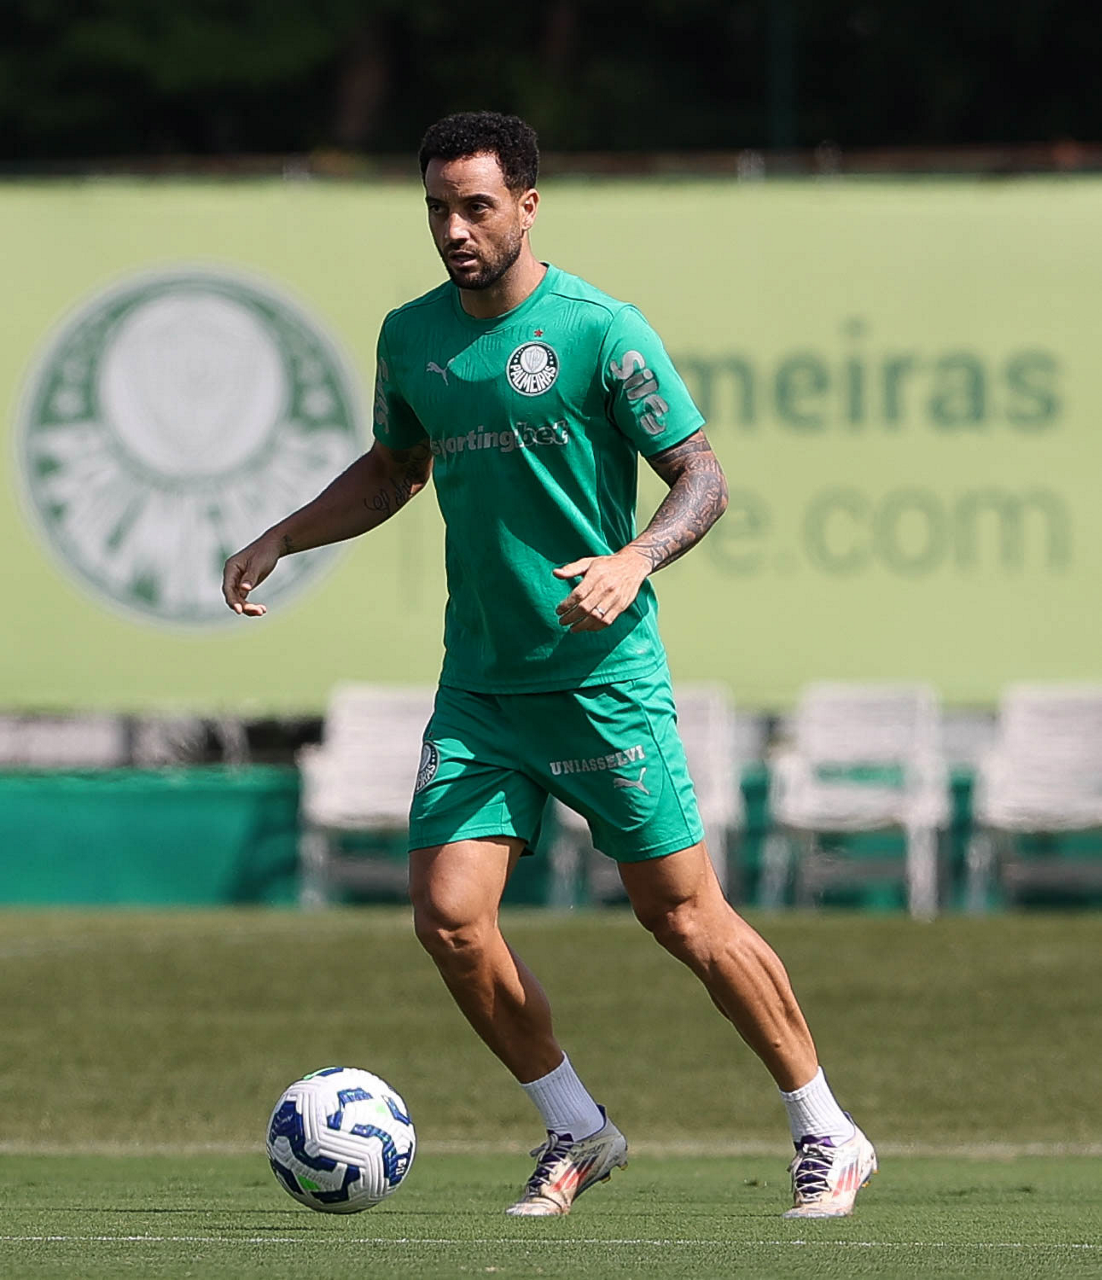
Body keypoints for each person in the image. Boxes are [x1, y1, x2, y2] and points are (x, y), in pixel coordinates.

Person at [222, 110, 876, 1220]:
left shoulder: (600, 331)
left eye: (475, 206)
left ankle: (827, 1128)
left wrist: (634, 557)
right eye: (437, 208)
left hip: (599, 679)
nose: (454, 229)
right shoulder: (411, 337)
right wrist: (284, 534)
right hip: (482, 687)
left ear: (527, 205)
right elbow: (393, 470)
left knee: (683, 916)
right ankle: (576, 1126)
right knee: (448, 916)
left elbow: (702, 476)